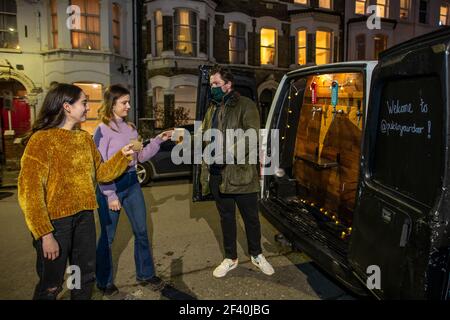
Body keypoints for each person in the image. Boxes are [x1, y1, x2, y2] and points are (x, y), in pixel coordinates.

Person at [18, 83, 135, 300]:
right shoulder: (41, 141)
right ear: (67, 107)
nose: (88, 108)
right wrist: (45, 234)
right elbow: (30, 193)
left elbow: (102, 173)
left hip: (84, 218)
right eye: (84, 103)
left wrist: (122, 156)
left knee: (83, 277)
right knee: (51, 284)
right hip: (55, 224)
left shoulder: (83, 139)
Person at [94, 84, 173, 296]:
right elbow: (100, 166)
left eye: (129, 101)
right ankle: (104, 281)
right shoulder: (102, 130)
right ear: (112, 104)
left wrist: (158, 141)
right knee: (107, 238)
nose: (129, 106)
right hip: (111, 185)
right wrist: (109, 193)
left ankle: (146, 274)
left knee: (142, 231)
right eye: (124, 102)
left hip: (131, 183)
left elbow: (140, 157)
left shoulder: (131, 128)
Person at [200, 65, 275, 278]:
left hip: (241, 174)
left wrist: (226, 155)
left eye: (216, 84)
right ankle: (230, 258)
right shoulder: (212, 109)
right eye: (211, 84)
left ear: (228, 84)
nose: (212, 87)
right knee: (226, 218)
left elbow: (251, 137)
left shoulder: (246, 105)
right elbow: (206, 136)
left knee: (251, 218)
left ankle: (257, 254)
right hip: (217, 174)